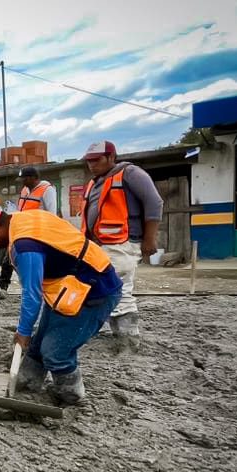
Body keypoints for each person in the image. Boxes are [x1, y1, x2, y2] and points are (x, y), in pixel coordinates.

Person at [0, 207, 122, 405]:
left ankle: (72, 398)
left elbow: (32, 295)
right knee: (38, 346)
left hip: (93, 288)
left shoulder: (24, 246)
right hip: (67, 285)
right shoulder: (23, 219)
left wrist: (23, 332)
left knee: (56, 353)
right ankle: (24, 389)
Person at [79, 141, 163, 344]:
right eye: (89, 161)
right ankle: (118, 332)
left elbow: (154, 202)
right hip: (101, 245)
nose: (91, 164)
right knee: (103, 287)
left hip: (122, 243)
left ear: (111, 157)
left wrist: (150, 239)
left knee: (118, 287)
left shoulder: (130, 173)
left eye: (96, 159)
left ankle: (128, 338)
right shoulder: (95, 182)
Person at [0, 166, 56, 290]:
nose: (22, 182)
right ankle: (2, 286)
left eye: (24, 179)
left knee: (30, 261)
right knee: (9, 256)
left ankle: (39, 286)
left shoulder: (47, 190)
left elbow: (51, 213)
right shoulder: (25, 190)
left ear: (33, 178)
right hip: (21, 229)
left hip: (37, 232)